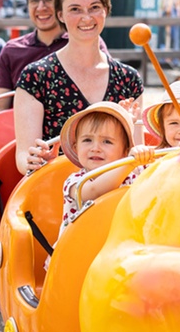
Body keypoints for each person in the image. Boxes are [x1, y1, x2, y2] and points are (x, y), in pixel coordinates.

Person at [17, 0, 143, 174]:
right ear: (61, 15)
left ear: (106, 10)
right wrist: (32, 160)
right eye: (75, 9)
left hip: (116, 193)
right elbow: (23, 155)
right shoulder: (35, 77)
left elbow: (136, 155)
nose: (86, 17)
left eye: (94, 7)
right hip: (54, 191)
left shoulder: (129, 79)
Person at [0, 0, 110, 125]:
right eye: (34, 0)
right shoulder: (12, 50)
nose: (41, 7)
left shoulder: (87, 42)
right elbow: (1, 104)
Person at [56, 101, 153, 241]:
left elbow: (153, 169)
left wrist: (139, 153)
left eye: (107, 142)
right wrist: (130, 162)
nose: (95, 148)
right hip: (78, 251)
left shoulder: (133, 172)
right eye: (87, 140)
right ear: (76, 147)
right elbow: (94, 191)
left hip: (121, 247)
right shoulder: (76, 182)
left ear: (125, 151)